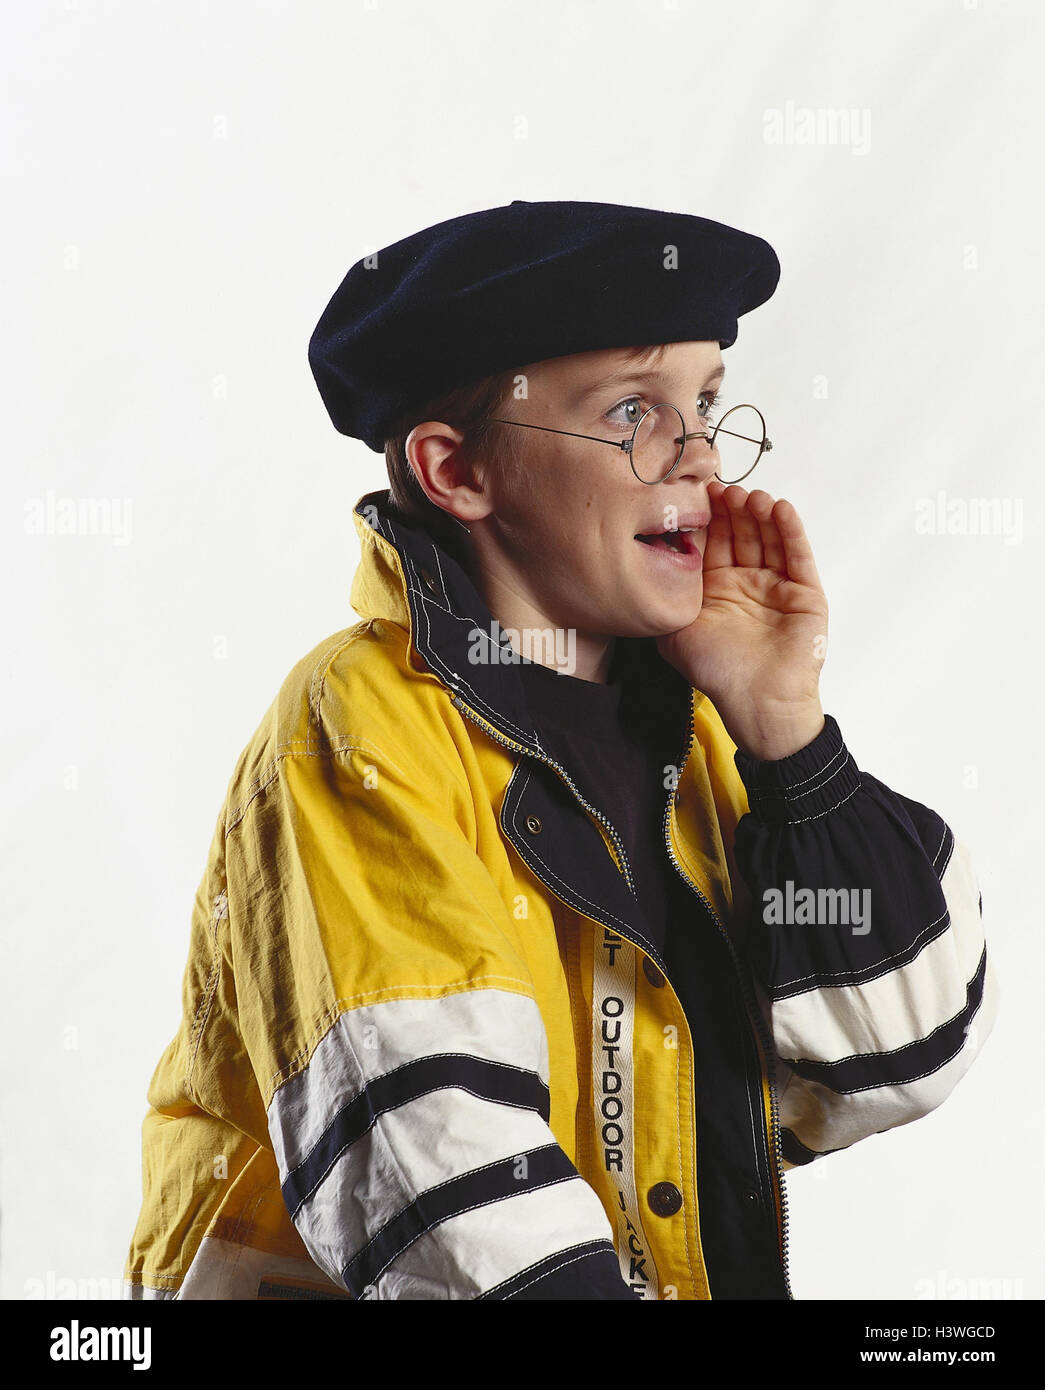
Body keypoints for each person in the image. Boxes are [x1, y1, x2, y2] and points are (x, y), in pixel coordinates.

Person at [124, 198, 998, 1300]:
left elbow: (895, 1058)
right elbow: (439, 1178)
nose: (699, 460)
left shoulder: (702, 724)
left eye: (708, 404)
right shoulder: (358, 729)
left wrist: (790, 740)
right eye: (636, 411)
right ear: (455, 472)